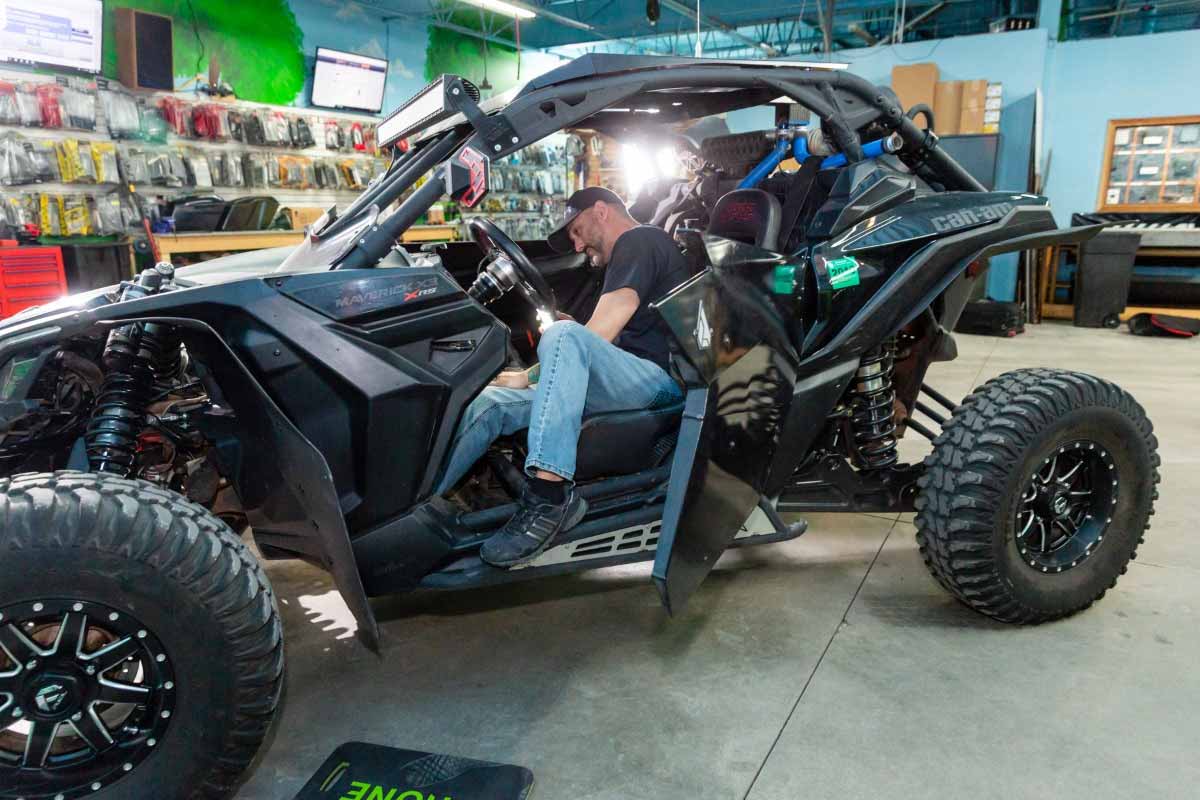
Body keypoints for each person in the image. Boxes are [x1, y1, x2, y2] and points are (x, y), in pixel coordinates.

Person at [436, 187, 691, 567]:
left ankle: (549, 497)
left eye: (575, 230)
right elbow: (598, 340)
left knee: (564, 333)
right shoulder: (627, 256)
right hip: (624, 380)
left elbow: (596, 334)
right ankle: (416, 508)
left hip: (659, 385)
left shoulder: (641, 240)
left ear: (601, 211)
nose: (576, 243)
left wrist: (547, 358)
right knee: (491, 405)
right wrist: (534, 374)